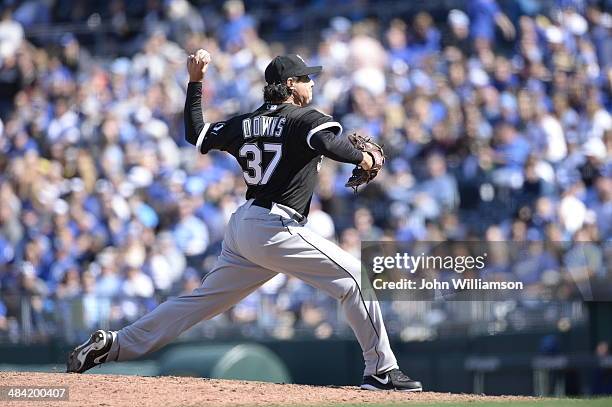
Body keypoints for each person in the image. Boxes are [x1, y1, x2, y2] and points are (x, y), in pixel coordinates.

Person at [66, 50, 422, 392]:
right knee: (355, 279)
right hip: (275, 227)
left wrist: (195, 82)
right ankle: (382, 371)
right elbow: (327, 143)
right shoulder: (305, 118)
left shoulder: (244, 122)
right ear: (291, 84)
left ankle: (114, 345)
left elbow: (196, 133)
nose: (311, 85)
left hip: (244, 228)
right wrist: (364, 157)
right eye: (306, 79)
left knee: (198, 302)